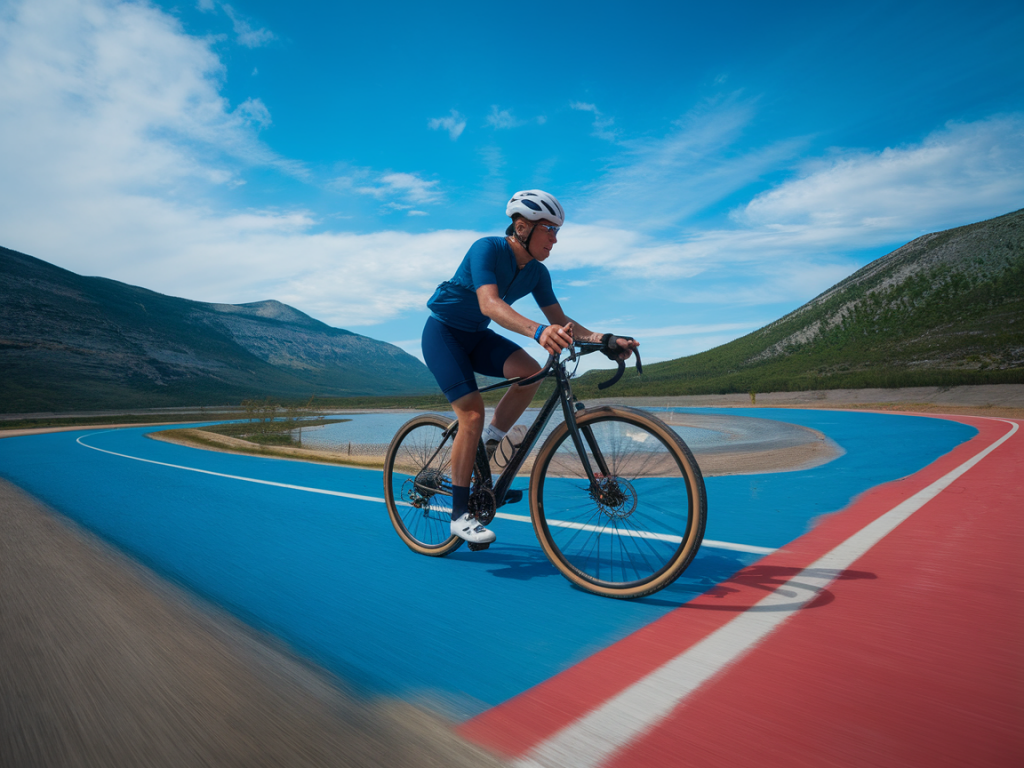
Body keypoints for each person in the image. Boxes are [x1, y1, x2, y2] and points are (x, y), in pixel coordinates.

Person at [421, 190, 639, 545]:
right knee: (471, 415)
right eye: (548, 230)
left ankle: (490, 443)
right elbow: (489, 304)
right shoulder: (486, 249)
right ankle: (459, 515)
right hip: (444, 333)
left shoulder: (537, 273)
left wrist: (607, 340)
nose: (554, 239)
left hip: (476, 337)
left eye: (557, 232)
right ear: (522, 227)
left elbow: (561, 320)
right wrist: (538, 331)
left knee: (529, 371)